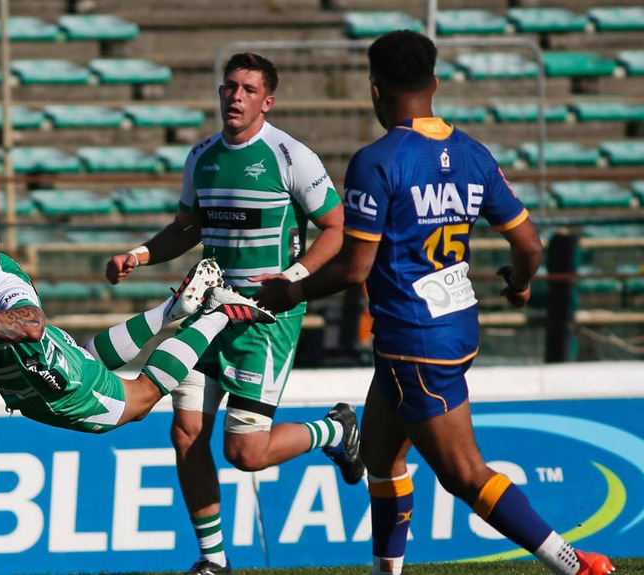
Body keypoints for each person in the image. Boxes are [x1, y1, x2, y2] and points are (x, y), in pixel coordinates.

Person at [254, 31, 614, 575]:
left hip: (412, 341)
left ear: (375, 91)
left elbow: (355, 268)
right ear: (435, 84)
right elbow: (530, 245)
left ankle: (572, 564)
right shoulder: (473, 153)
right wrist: (518, 284)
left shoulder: (378, 161)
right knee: (381, 455)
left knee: (465, 473)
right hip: (452, 328)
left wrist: (289, 291)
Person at [99, 52, 363, 574]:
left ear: (267, 101)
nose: (235, 96)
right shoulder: (202, 156)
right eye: (229, 87)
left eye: (247, 89)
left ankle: (337, 431)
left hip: (263, 320)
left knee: (246, 454)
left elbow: (337, 227)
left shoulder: (292, 156)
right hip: (208, 312)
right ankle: (214, 562)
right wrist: (140, 254)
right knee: (185, 433)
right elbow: (186, 228)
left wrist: (294, 277)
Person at [0, 213, 275, 435]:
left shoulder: (6, 287)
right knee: (94, 355)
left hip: (58, 383)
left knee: (142, 399)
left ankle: (218, 310)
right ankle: (173, 308)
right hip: (28, 385)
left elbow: (31, 325)